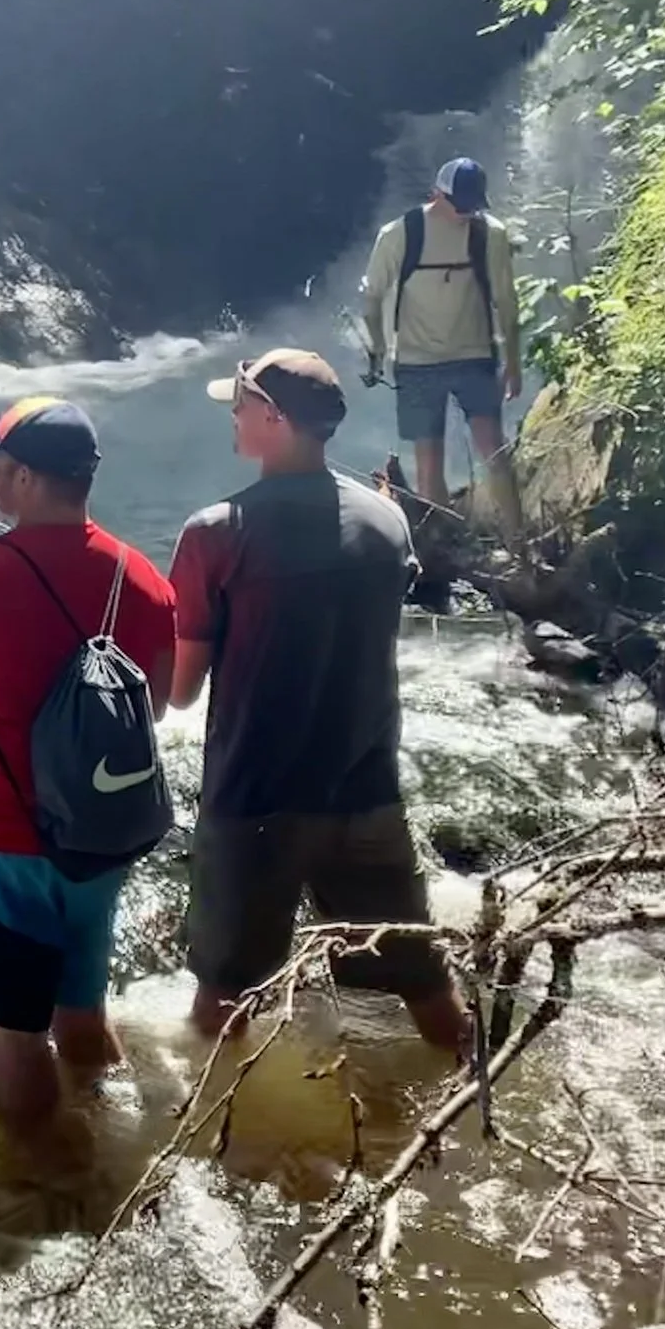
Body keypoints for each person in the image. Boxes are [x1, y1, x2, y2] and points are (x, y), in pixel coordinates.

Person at [0, 398, 177, 1135]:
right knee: (82, 1013)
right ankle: (115, 1143)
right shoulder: (140, 577)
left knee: (13, 1034)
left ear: (21, 477)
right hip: (98, 843)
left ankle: (45, 1189)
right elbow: (161, 703)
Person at [167, 351, 469, 1053]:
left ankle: (205, 1150)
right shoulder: (388, 522)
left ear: (274, 418)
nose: (233, 416)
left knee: (222, 996)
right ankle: (473, 1104)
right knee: (424, 979)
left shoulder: (213, 532)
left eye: (241, 404)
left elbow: (180, 689)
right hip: (366, 797)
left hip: (255, 806)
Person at [361, 156, 522, 531]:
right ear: (437, 193)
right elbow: (372, 297)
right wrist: (377, 349)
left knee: (495, 453)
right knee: (429, 463)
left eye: (473, 205)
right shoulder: (400, 234)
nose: (467, 213)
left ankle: (520, 545)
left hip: (476, 355)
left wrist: (512, 363)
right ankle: (446, 543)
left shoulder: (490, 234)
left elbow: (507, 302)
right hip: (417, 361)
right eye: (459, 205)